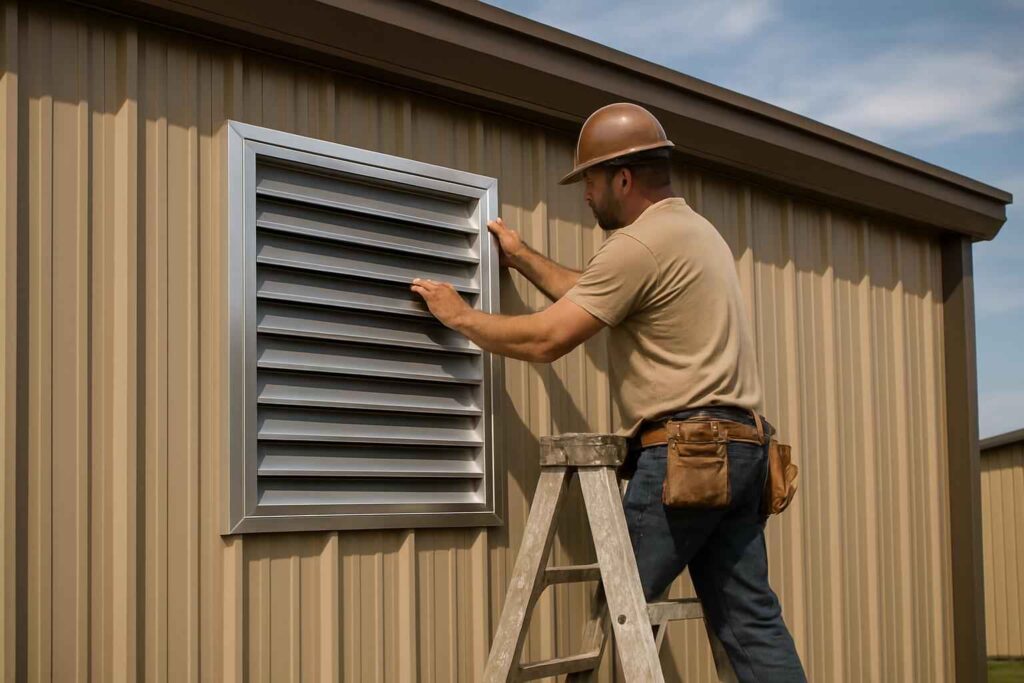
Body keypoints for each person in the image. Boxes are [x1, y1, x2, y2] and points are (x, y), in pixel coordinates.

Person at [411, 102, 806, 682]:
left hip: (687, 454)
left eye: (590, 182)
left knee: (621, 605)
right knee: (750, 621)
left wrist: (460, 317)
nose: (586, 195)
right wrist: (520, 259)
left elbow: (549, 338)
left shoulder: (639, 244)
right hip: (742, 450)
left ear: (622, 177)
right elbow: (596, 293)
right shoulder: (694, 232)